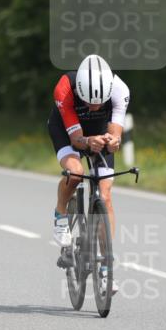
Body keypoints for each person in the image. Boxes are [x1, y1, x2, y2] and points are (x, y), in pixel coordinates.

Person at [47, 54, 129, 247]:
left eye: (100, 103)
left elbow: (115, 135)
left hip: (99, 130)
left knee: (105, 196)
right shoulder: (64, 89)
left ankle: (106, 259)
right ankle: (60, 213)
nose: (94, 107)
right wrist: (88, 141)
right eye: (88, 102)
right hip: (65, 131)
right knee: (75, 173)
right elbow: (76, 140)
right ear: (79, 91)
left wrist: (113, 142)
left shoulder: (120, 89)